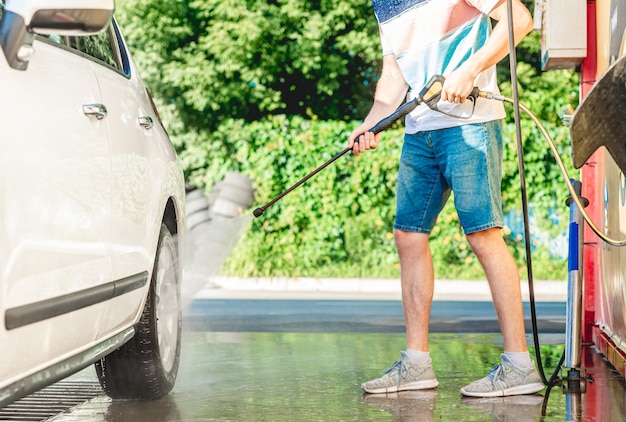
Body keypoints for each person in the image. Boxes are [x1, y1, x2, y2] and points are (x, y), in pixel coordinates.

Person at [348, 0, 543, 397]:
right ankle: (417, 363)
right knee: (409, 235)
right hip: (420, 130)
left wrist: (470, 70)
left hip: (471, 122)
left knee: (482, 235)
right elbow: (392, 77)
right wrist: (371, 123)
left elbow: (519, 20)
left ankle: (520, 364)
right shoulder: (383, 5)